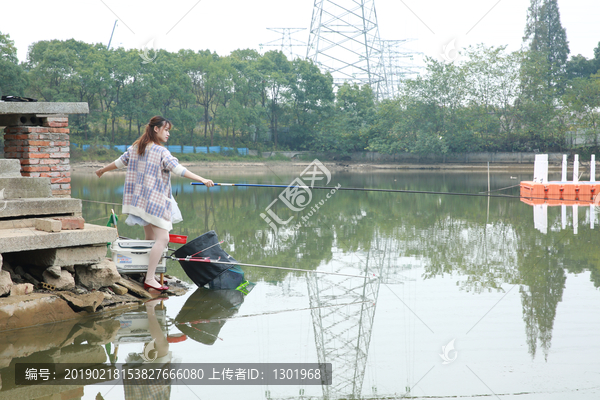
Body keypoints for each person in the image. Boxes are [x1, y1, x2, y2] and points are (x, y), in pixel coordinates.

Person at [96, 116, 214, 292]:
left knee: (151, 239)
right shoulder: (161, 152)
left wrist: (102, 170)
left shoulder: (136, 147)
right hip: (154, 202)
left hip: (139, 202)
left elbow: (119, 163)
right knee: (163, 238)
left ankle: (146, 274)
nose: (168, 134)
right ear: (156, 129)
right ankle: (150, 278)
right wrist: (203, 179)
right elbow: (178, 169)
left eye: (169, 131)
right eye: (166, 130)